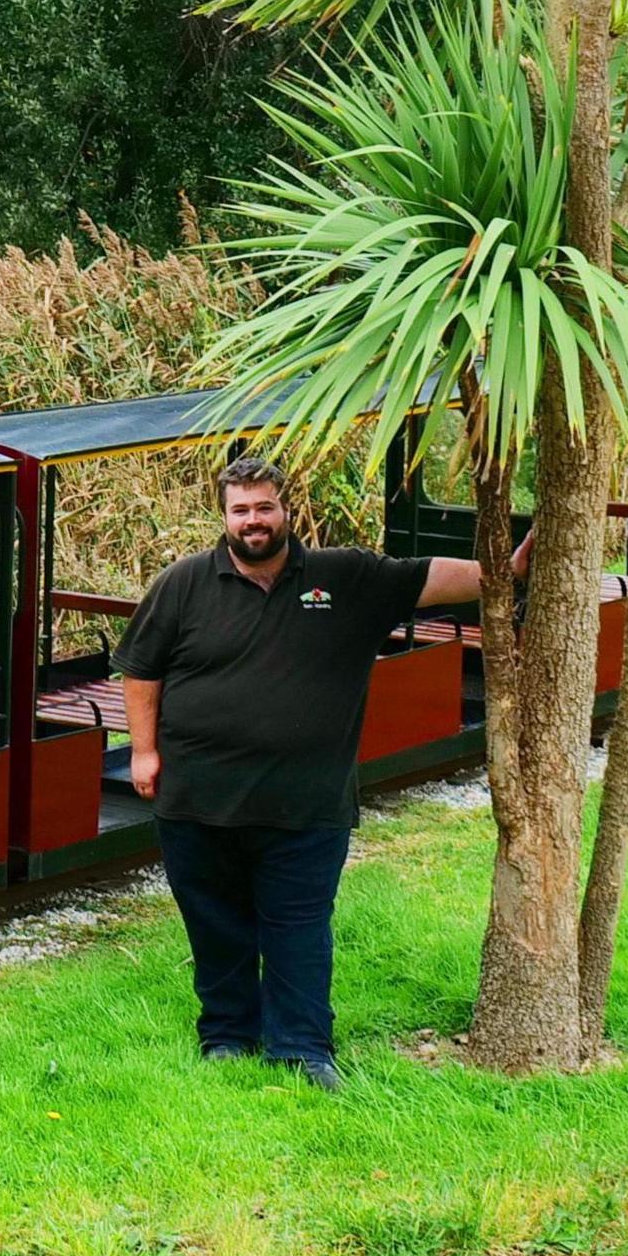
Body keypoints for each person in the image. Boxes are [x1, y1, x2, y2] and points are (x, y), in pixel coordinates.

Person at [116, 455, 495, 1089]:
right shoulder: (183, 583)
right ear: (224, 515)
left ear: (287, 509)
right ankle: (228, 1036)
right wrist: (144, 751)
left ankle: (302, 1048)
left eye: (264, 507)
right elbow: (141, 668)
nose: (253, 521)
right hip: (198, 798)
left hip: (307, 802)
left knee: (299, 926)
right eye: (241, 510)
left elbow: (428, 577)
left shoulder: (343, 577)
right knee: (216, 922)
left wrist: (505, 572)